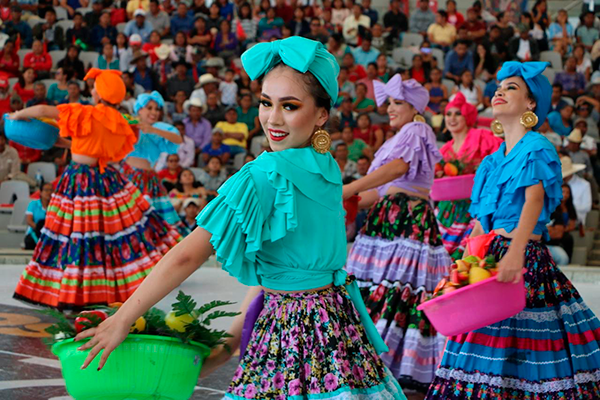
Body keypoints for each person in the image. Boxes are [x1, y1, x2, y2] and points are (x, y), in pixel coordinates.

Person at [74, 37, 406, 400]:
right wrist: (226, 346)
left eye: (289, 106)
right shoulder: (326, 166)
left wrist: (122, 319)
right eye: (266, 103)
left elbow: (188, 254)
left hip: (291, 336)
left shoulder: (261, 175)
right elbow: (280, 271)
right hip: (338, 326)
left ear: (321, 114)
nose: (273, 119)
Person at [426, 61, 600, 399]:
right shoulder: (491, 162)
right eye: (499, 87)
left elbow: (534, 199)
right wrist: (458, 270)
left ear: (531, 103)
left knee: (524, 351)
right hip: (489, 259)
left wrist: (515, 253)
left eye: (512, 88)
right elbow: (479, 222)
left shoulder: (537, 147)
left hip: (523, 256)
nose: (500, 91)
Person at [11, 69, 181, 310]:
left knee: (74, 234)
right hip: (106, 179)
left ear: (99, 93)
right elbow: (92, 145)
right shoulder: (122, 122)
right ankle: (109, 289)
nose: (91, 90)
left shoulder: (83, 111)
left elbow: (40, 110)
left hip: (79, 180)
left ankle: (75, 291)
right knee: (109, 236)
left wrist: (18, 114)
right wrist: (67, 143)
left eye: (94, 87)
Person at [344, 74, 452, 393]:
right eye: (389, 102)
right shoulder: (398, 137)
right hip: (388, 218)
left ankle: (388, 365)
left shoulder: (417, 129)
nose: (390, 108)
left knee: (397, 291)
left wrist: (348, 188)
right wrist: (342, 200)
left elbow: (397, 170)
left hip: (407, 220)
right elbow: (381, 190)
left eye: (397, 102)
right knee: (383, 290)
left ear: (414, 108)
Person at [435, 92, 503, 260]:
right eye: (448, 114)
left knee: (468, 256)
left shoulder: (481, 136)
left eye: (458, 113)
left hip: (476, 207)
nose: (452, 118)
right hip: (449, 210)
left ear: (467, 116)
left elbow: (501, 160)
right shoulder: (444, 150)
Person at [123, 91, 189, 238]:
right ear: (139, 109)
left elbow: (177, 139)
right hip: (127, 176)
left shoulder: (160, 128)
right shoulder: (129, 123)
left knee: (153, 220)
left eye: (156, 109)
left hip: (147, 179)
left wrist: (152, 129)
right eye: (149, 108)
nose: (154, 112)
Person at [547, 181, 578, 265]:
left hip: (562, 230)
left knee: (568, 238)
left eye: (568, 192)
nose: (565, 195)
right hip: (556, 229)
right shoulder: (555, 207)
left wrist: (560, 229)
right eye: (563, 192)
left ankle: (568, 261)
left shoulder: (570, 207)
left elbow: (572, 223)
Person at [24, 182, 53, 250]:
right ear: (40, 192)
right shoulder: (33, 204)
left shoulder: (54, 206)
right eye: (46, 190)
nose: (49, 192)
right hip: (34, 234)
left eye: (51, 190)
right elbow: (29, 221)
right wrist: (40, 231)